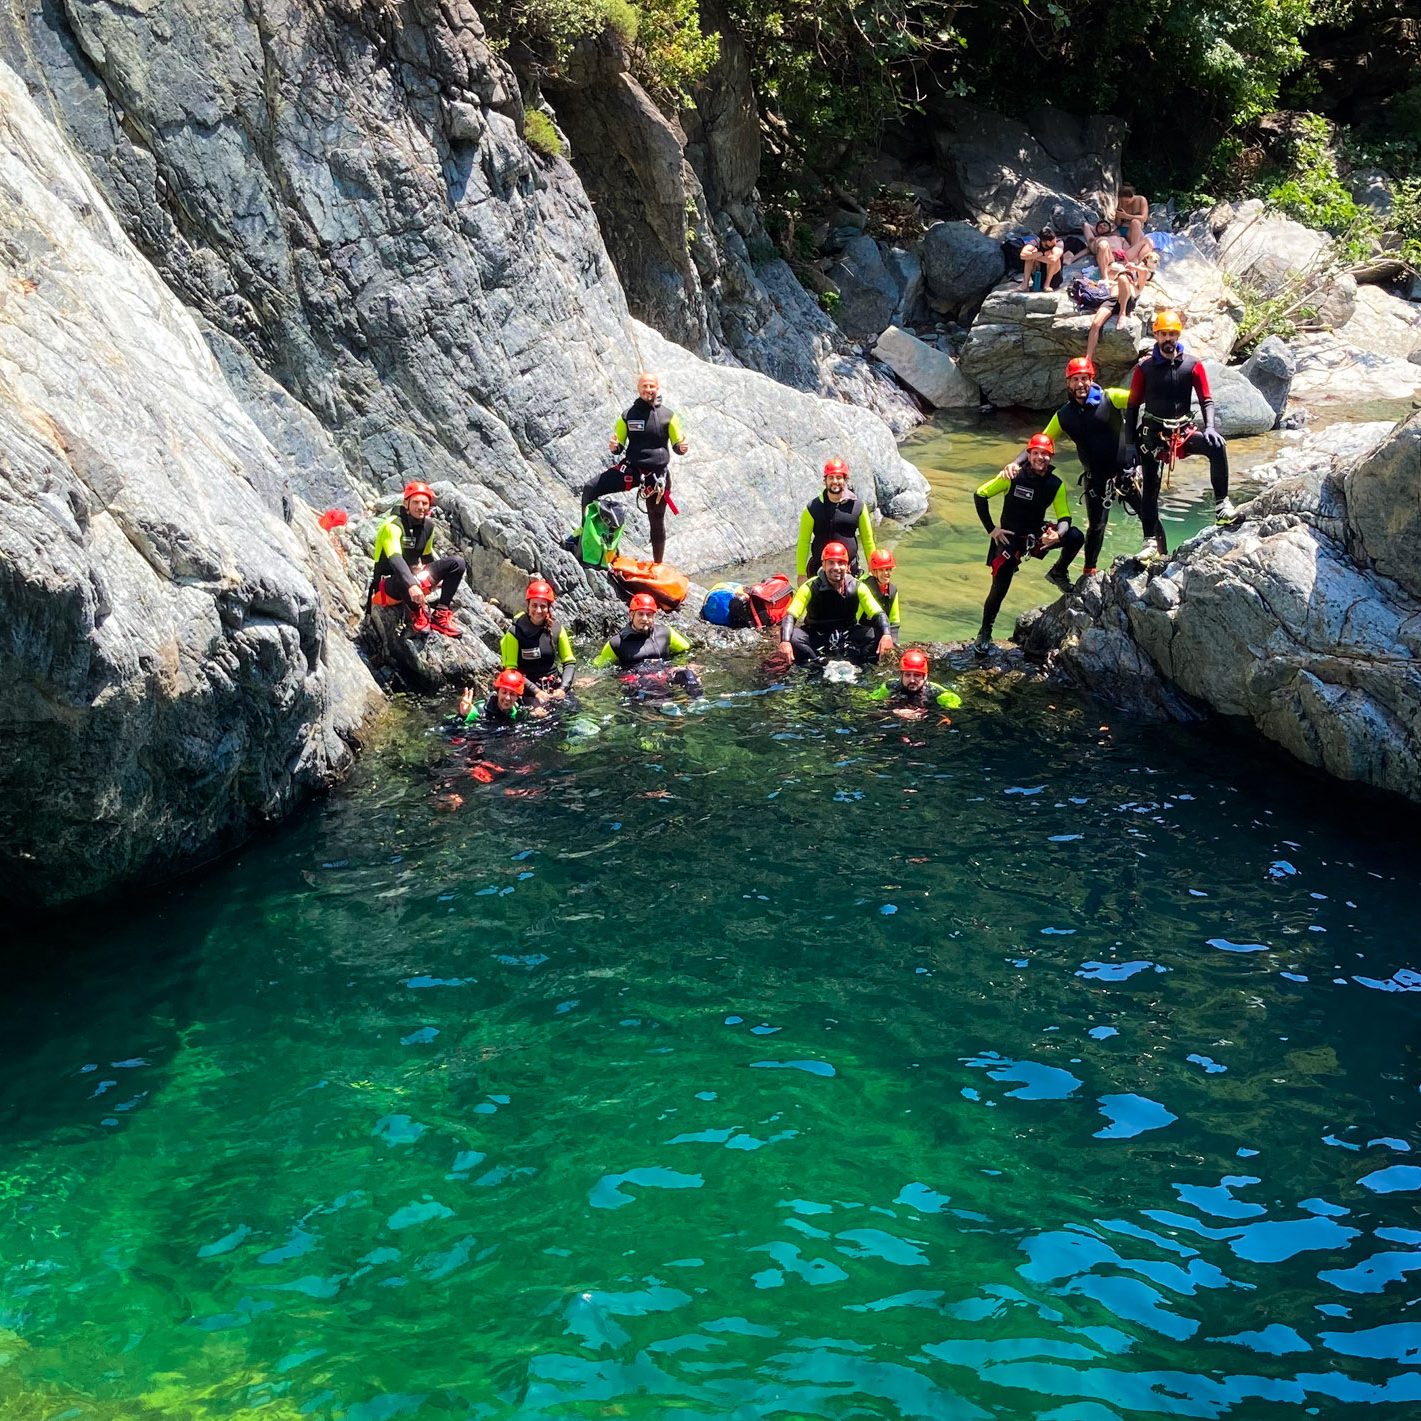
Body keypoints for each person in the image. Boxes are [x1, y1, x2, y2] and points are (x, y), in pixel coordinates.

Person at [1125, 308, 1236, 556]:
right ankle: (1149, 541)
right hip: (1153, 435)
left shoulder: (1192, 365)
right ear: (1156, 335)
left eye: (1172, 334)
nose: (1168, 339)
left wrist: (1209, 428)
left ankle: (1221, 506)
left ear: (1178, 335)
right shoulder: (1145, 369)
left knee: (1217, 447)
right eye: (1163, 334)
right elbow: (1132, 407)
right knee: (1150, 487)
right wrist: (1129, 446)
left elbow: (1206, 400)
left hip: (1182, 432)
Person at [1034, 356, 1151, 580]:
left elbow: (1141, 397)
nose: (1080, 384)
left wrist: (1146, 371)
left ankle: (1161, 555)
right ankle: (1089, 572)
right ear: (1068, 383)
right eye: (1075, 379)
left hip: (1125, 474)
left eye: (1085, 378)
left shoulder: (1111, 397)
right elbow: (1041, 442)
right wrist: (1016, 465)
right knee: (1096, 527)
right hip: (1095, 480)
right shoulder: (1064, 416)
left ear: (1092, 379)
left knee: (1148, 514)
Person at [972, 433, 1086, 656]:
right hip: (1009, 540)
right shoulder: (1012, 476)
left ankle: (1058, 572)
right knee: (999, 589)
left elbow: (1065, 517)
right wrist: (991, 529)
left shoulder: (1055, 485)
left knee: (1074, 536)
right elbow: (980, 494)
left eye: (1045, 454)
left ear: (1051, 457)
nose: (1040, 458)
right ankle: (985, 632)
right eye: (1036, 453)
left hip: (1036, 538)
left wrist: (1057, 535)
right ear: (1029, 455)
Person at [582, 372, 688, 564]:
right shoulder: (627, 416)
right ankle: (587, 539)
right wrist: (615, 448)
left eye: (652, 386)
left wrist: (681, 448)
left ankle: (657, 565)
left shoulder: (668, 416)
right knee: (590, 488)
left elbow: (677, 444)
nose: (648, 390)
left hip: (656, 478)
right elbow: (619, 444)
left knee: (657, 522)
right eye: (645, 386)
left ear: (657, 388)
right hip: (631, 470)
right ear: (638, 388)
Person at [369, 481, 466, 637]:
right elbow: (395, 559)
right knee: (403, 576)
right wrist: (413, 584)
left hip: (413, 580)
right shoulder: (392, 526)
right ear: (406, 503)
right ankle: (418, 612)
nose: (420, 506)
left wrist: (435, 578)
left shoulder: (428, 526)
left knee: (457, 563)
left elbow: (427, 557)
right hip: (386, 586)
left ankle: (441, 614)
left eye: (424, 503)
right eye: (415, 502)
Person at [779, 541, 894, 666]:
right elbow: (790, 615)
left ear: (847, 566)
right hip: (817, 634)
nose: (836, 567)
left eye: (841, 563)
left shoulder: (857, 586)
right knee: (794, 638)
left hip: (847, 634)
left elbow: (878, 613)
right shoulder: (810, 586)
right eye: (831, 562)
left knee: (876, 634)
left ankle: (855, 663)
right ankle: (817, 664)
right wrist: (785, 641)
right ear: (823, 565)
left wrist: (887, 635)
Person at [796, 457, 876, 582]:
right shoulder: (812, 508)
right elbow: (803, 542)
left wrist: (873, 569)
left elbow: (868, 540)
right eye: (831, 477)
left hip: (850, 572)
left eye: (839, 477)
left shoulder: (858, 507)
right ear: (825, 481)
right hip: (818, 571)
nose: (835, 481)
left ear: (845, 480)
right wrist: (801, 574)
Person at [501, 579, 576, 701]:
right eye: (534, 605)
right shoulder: (514, 633)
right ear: (528, 606)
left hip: (555, 687)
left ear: (548, 608)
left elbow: (569, 662)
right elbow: (511, 670)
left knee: (576, 714)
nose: (538, 611)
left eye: (543, 606)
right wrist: (536, 692)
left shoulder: (557, 630)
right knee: (542, 717)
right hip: (527, 690)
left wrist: (563, 688)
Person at [1084, 245, 1158, 365]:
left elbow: (1144, 271)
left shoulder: (1137, 285)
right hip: (1112, 301)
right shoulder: (1116, 281)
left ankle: (1122, 313)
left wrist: (1133, 267)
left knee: (1123, 279)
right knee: (1096, 324)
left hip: (1127, 301)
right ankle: (1088, 358)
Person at [868, 648, 962, 719]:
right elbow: (868, 707)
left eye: (917, 675)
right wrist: (894, 712)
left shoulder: (938, 693)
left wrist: (925, 713)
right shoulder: (889, 687)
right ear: (901, 675)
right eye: (907, 675)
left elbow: (956, 713)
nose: (912, 680)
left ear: (925, 676)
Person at [456, 669, 543, 728]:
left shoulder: (517, 712)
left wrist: (535, 715)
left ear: (517, 697)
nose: (508, 698)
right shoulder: (478, 710)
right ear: (497, 692)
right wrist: (462, 716)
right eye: (504, 692)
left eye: (512, 694)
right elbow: (448, 730)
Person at [864, 548, 902, 643]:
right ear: (873, 572)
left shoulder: (892, 591)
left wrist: (893, 643)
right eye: (881, 570)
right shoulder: (864, 587)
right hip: (862, 630)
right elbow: (855, 619)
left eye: (888, 569)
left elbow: (894, 622)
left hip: (883, 630)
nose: (886, 573)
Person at [1019, 227, 1063, 292]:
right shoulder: (1035, 243)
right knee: (1029, 257)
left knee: (1051, 257)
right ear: (1044, 241)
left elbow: (1053, 259)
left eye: (1054, 238)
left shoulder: (1059, 243)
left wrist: (1037, 256)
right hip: (1038, 275)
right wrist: (1039, 254)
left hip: (1054, 278)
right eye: (1050, 240)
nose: (1054, 241)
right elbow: (1022, 255)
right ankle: (1025, 284)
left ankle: (1047, 285)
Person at [1116, 185, 1150, 252]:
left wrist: (1126, 216)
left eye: (1127, 201)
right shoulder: (1121, 202)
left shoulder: (1141, 200)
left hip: (1135, 229)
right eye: (1123, 201)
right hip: (1123, 228)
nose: (1124, 203)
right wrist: (1118, 216)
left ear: (1133, 196)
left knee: (1135, 222)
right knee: (1107, 237)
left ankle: (1133, 249)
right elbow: (1118, 223)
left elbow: (1144, 218)